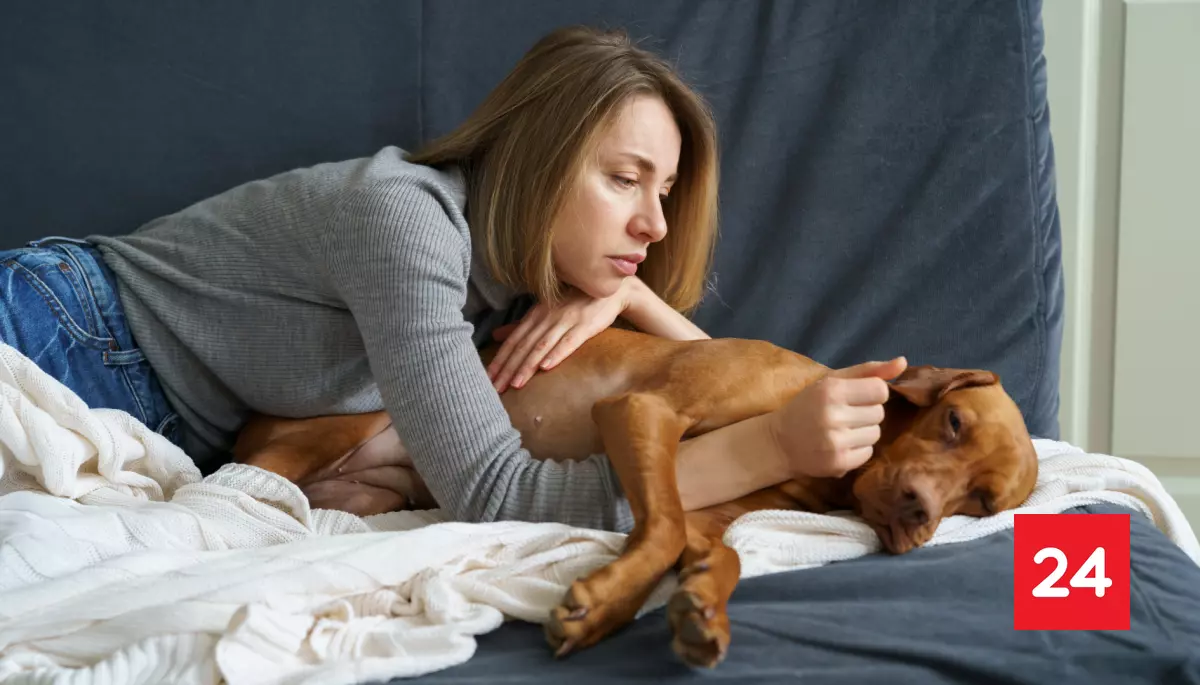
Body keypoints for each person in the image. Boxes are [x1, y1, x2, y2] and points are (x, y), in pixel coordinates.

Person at [0, 26, 906, 532]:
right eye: (624, 179)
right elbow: (497, 495)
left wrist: (633, 297)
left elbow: (732, 383)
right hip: (64, 334)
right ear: (539, 157)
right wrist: (773, 452)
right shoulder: (406, 223)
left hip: (152, 419)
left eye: (665, 192)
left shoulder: (514, 291)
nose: (656, 223)